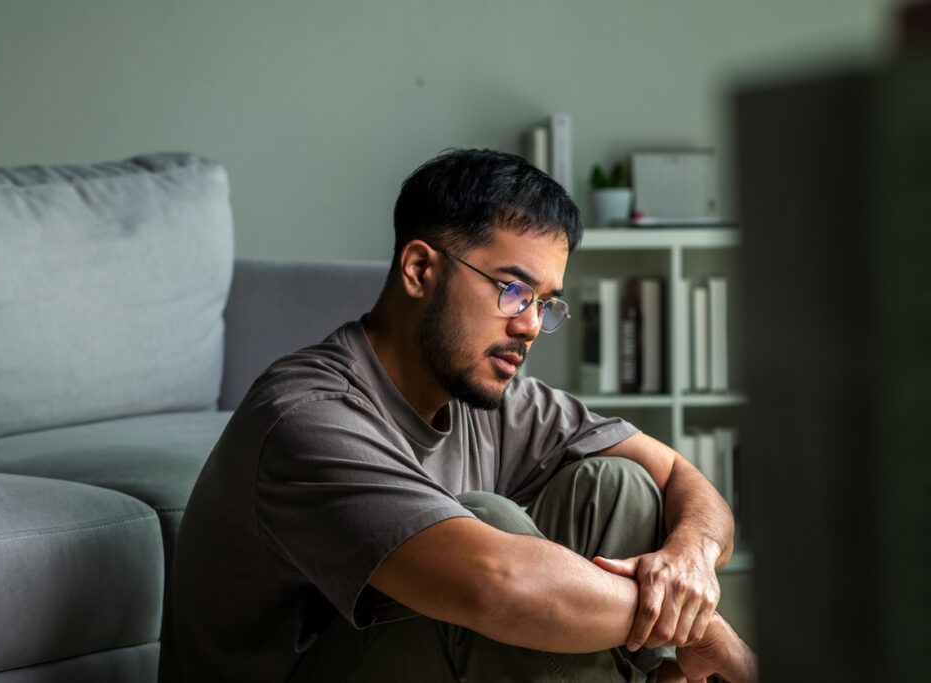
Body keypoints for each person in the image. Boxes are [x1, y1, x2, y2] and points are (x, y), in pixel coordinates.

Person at [160, 148, 758, 682]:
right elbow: (498, 585)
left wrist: (691, 558)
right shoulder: (307, 416)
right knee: (491, 533)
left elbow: (677, 474)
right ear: (420, 270)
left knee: (619, 486)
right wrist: (700, 627)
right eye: (513, 291)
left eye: (546, 304)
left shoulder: (486, 391)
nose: (531, 326)